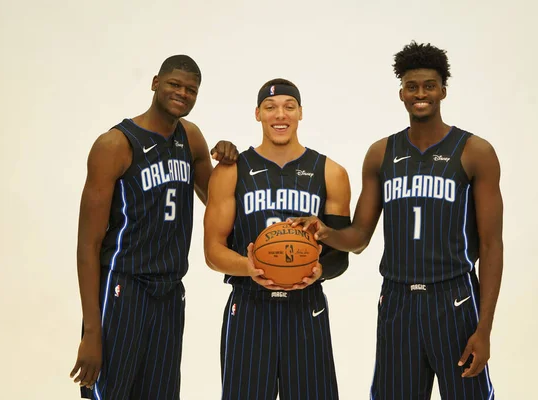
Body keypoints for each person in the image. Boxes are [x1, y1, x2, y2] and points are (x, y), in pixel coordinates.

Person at [290, 41, 503, 399]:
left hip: (453, 297)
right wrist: (325, 232)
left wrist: (484, 329)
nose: (421, 94)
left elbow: (491, 245)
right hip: (398, 298)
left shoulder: (474, 152)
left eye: (429, 86)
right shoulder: (381, 153)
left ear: (443, 91)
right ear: (401, 93)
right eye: (412, 86)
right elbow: (358, 238)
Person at [69, 55, 239, 399]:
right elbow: (87, 245)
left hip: (170, 292)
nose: (182, 93)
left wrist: (227, 160)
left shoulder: (191, 138)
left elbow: (217, 202)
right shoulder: (115, 144)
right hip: (123, 288)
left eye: (191, 89)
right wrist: (91, 331)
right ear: (155, 82)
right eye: (175, 84)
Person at [203, 78, 352, 400]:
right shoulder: (231, 171)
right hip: (249, 305)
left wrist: (319, 272)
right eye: (270, 107)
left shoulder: (331, 172)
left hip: (306, 306)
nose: (279, 115)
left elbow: (341, 255)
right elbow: (212, 251)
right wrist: (251, 267)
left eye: (288, 107)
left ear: (300, 113)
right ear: (258, 114)